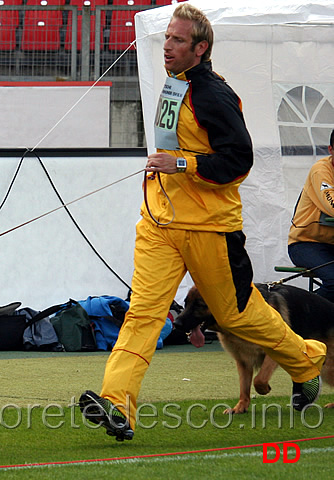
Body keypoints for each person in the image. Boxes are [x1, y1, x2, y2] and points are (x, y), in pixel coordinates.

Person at [79, 3, 327, 441]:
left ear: (200, 48)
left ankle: (307, 359)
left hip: (211, 229)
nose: (167, 46)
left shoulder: (214, 94)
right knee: (143, 313)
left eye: (177, 40)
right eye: (167, 38)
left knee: (239, 315)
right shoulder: (174, 85)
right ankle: (117, 404)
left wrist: (182, 162)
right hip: (158, 223)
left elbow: (239, 160)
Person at [288, 130, 334, 302]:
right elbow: (332, 206)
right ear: (330, 149)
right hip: (306, 243)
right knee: (333, 281)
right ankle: (308, 323)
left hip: (330, 244)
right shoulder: (320, 170)